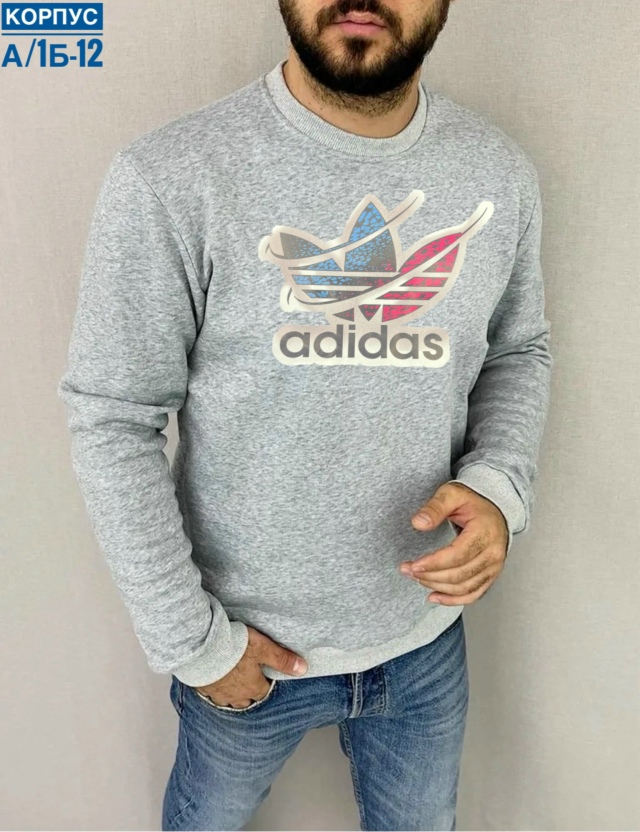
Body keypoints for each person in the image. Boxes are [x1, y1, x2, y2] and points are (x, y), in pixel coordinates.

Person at [57, 1, 553, 829]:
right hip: (242, 651)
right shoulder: (173, 175)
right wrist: (193, 644)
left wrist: (499, 487)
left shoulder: (498, 173)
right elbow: (113, 417)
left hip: (424, 641)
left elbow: (517, 350)